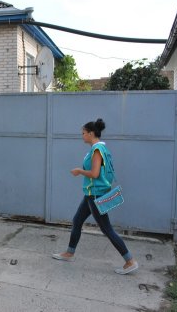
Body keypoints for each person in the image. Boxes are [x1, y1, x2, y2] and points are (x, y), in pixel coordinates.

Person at [52, 118, 138, 275]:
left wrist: (79, 171)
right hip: (91, 193)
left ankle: (130, 261)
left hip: (96, 194)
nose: (82, 136)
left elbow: (94, 173)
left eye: (83, 133)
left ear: (91, 133)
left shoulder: (97, 150)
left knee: (107, 229)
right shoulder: (101, 149)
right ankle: (69, 253)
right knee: (77, 220)